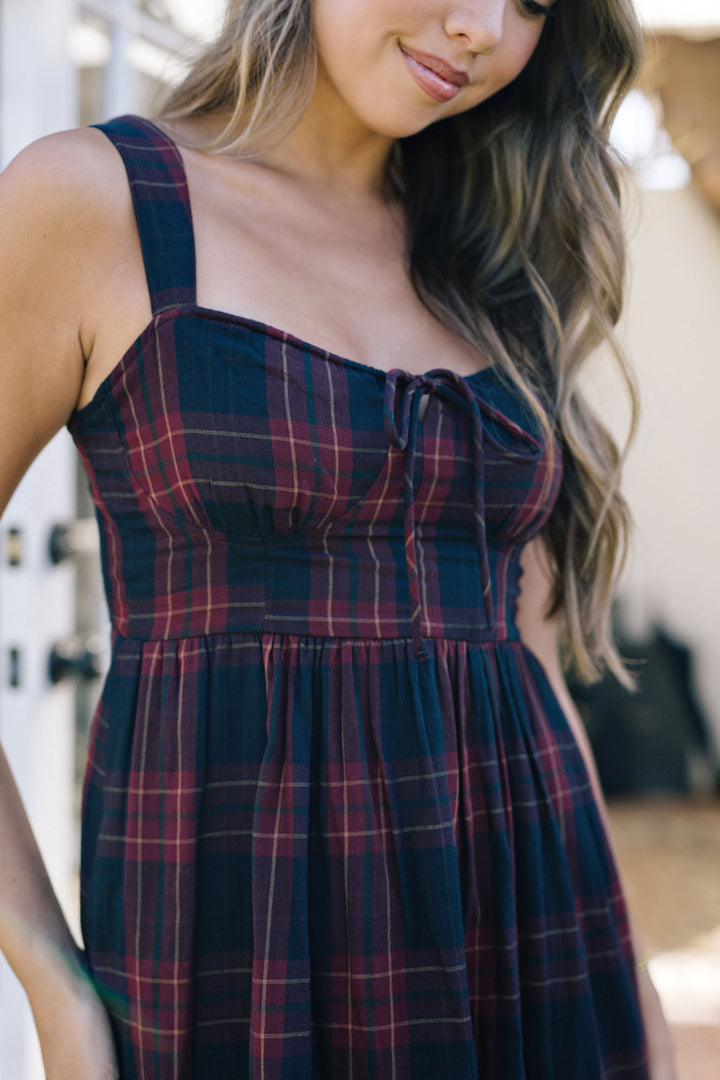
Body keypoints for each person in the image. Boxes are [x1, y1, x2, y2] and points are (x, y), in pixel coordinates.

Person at [0, 1, 678, 1077]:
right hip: (243, 954)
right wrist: (50, 976)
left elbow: (533, 656)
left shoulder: (492, 250)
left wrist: (632, 981)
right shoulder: (96, 204)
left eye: (536, 2)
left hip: (536, 927)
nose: (479, 28)